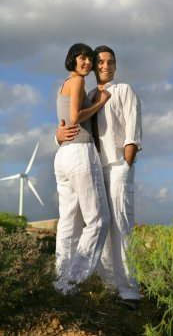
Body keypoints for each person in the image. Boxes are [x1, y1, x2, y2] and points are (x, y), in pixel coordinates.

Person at [56, 45, 142, 308]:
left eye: (111, 62)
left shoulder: (124, 90)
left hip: (116, 166)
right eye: (101, 62)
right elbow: (72, 122)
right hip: (91, 164)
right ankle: (108, 286)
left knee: (120, 225)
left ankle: (129, 291)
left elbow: (133, 131)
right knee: (97, 226)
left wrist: (126, 163)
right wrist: (57, 137)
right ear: (94, 66)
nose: (105, 66)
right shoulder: (89, 93)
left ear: (115, 66)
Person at [54, 43, 111, 295]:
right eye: (82, 57)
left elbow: (65, 119)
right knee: (99, 220)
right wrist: (101, 102)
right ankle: (74, 280)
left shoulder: (63, 84)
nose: (87, 62)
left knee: (68, 222)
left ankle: (61, 281)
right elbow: (75, 117)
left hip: (63, 154)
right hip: (79, 153)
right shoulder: (77, 81)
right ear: (72, 59)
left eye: (89, 58)